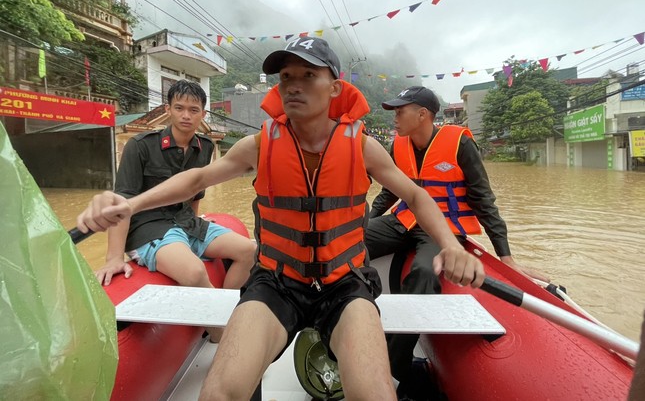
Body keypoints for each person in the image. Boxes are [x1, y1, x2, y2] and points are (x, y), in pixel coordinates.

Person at [77, 37, 485, 400]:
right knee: (218, 391)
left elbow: (415, 194)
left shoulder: (361, 146)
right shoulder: (260, 145)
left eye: (309, 74)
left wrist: (450, 245)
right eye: (286, 75)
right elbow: (197, 179)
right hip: (276, 281)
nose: (293, 83)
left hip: (344, 283)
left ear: (335, 87)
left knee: (374, 393)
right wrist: (130, 205)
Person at [365, 85, 550, 399]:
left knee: (423, 274)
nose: (394, 118)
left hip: (442, 231)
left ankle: (392, 369)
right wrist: (367, 225)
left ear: (423, 114)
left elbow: (483, 200)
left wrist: (506, 258)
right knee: (345, 243)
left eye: (400, 111)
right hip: (404, 220)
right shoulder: (398, 145)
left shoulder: (460, 143)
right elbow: (390, 192)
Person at [94, 80, 256, 340]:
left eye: (194, 110)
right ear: (168, 109)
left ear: (203, 114)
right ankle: (220, 335)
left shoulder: (204, 147)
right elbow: (120, 203)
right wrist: (113, 257)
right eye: (179, 108)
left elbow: (196, 192)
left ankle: (223, 309)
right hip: (149, 227)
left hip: (186, 222)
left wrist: (196, 223)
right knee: (194, 272)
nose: (186, 115)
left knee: (248, 250)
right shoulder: (140, 145)